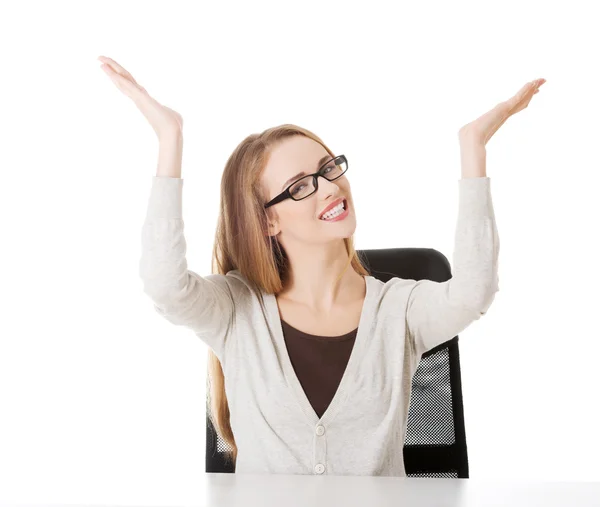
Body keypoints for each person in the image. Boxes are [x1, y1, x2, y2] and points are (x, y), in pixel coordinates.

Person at [98, 55, 544, 476]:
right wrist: (170, 137)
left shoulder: (399, 311)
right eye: (300, 187)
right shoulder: (236, 310)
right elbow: (164, 286)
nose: (329, 188)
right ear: (269, 220)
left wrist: (473, 148)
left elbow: (474, 291)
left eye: (329, 168)